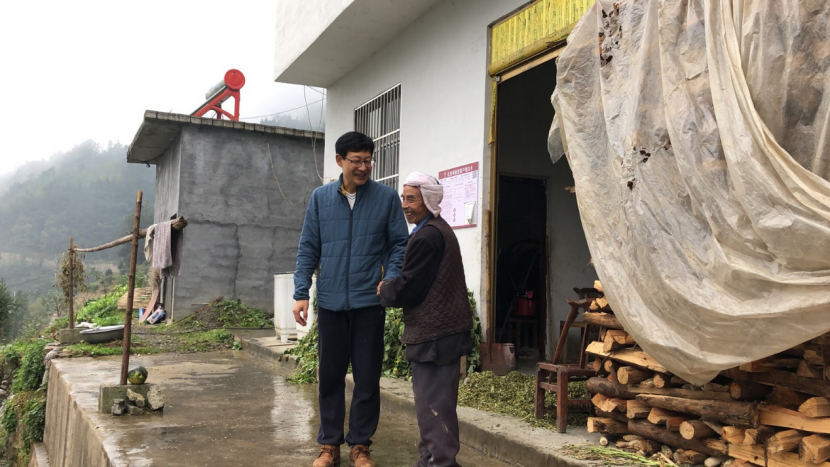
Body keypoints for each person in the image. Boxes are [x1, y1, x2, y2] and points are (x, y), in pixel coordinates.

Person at [293, 131, 409, 467]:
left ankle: (360, 445)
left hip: (369, 302)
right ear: (339, 160)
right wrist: (301, 293)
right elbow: (308, 247)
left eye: (368, 161)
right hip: (330, 302)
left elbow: (399, 244)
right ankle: (329, 445)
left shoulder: (386, 198)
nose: (363, 167)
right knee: (329, 377)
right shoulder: (320, 198)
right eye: (356, 160)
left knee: (367, 377)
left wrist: (390, 278)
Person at [379, 172, 473, 467]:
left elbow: (411, 287)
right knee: (434, 406)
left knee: (434, 407)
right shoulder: (436, 229)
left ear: (428, 201)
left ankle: (440, 463)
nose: (405, 205)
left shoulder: (427, 236)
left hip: (435, 336)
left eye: (412, 199)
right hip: (442, 333)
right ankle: (429, 460)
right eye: (403, 198)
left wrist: (386, 289)